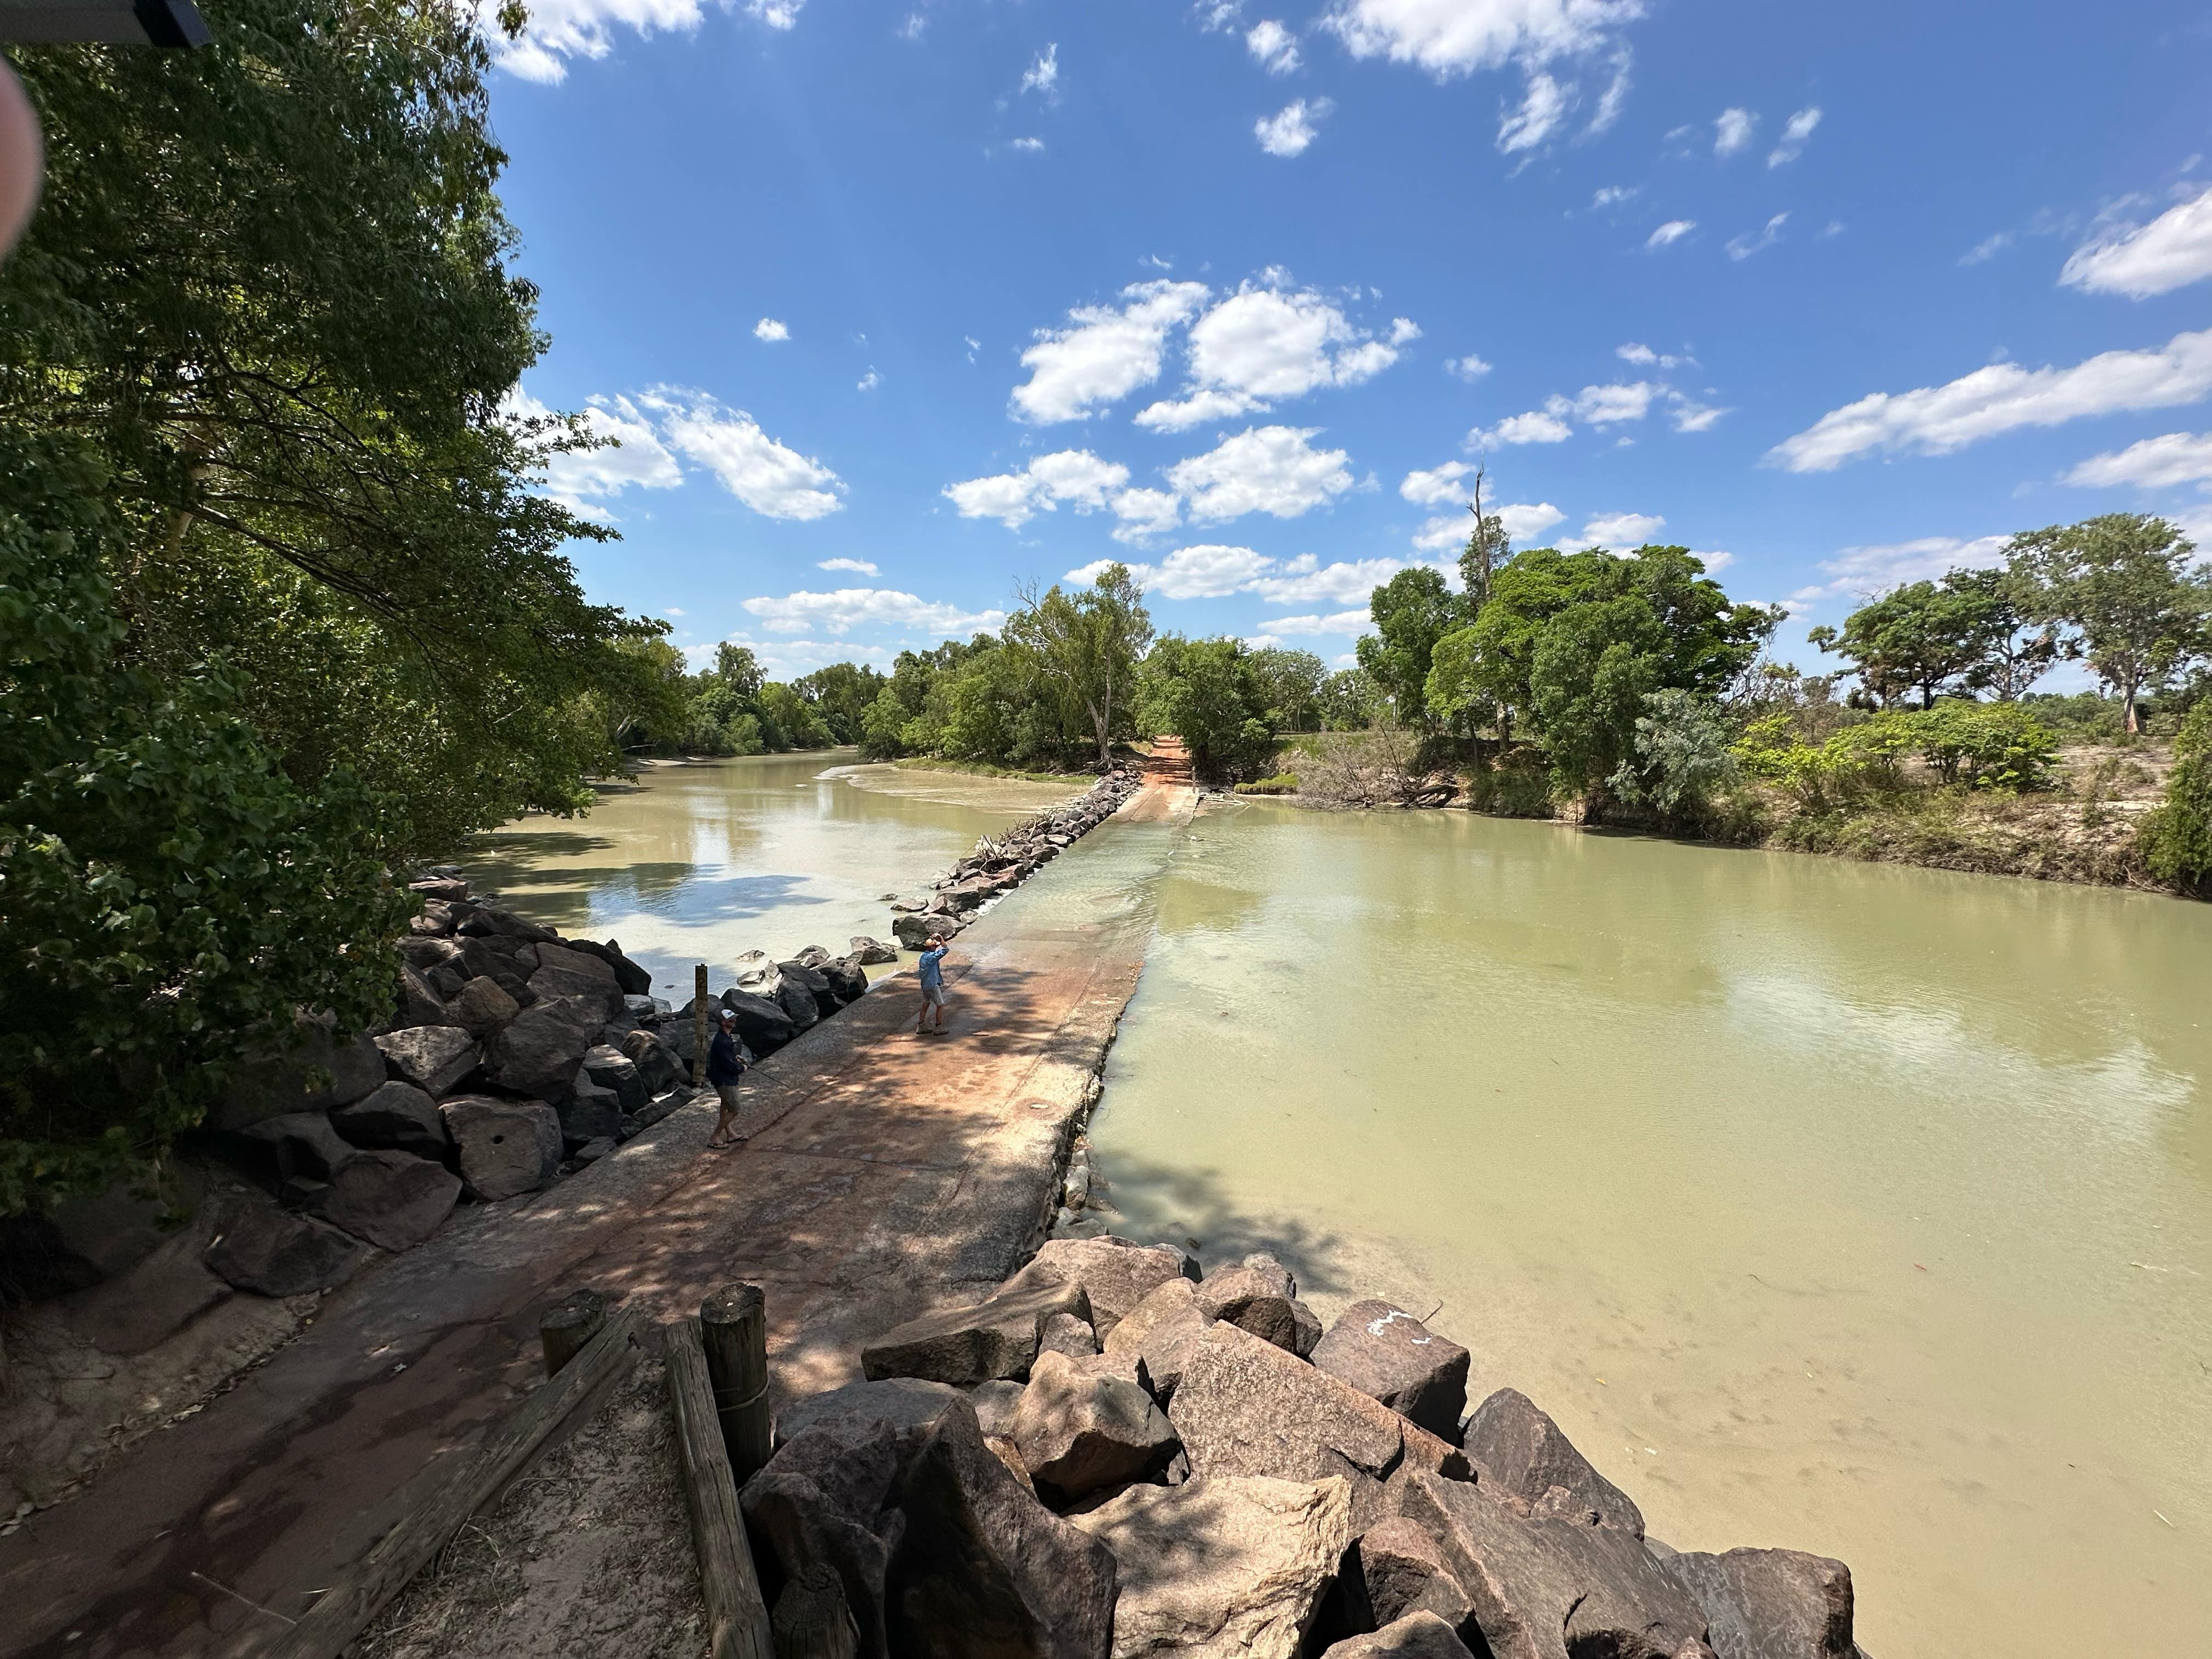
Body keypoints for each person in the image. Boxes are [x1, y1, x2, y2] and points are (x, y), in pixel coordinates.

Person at [706, 1007, 750, 1149]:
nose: (734, 1021)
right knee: (735, 1109)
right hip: (724, 1080)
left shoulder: (724, 1037)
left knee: (725, 1106)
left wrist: (736, 1057)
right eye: (731, 1020)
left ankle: (731, 1134)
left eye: (734, 1019)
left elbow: (726, 1057)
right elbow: (728, 1065)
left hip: (722, 1078)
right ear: (723, 1022)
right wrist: (742, 1068)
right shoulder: (722, 1041)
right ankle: (715, 1136)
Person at [915, 935, 950, 1035]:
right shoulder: (931, 957)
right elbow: (945, 950)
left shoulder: (924, 956)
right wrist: (941, 938)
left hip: (925, 985)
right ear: (931, 947)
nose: (936, 947)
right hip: (933, 985)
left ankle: (921, 1025)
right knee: (940, 1005)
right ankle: (939, 1026)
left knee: (926, 1004)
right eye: (935, 946)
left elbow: (939, 951)